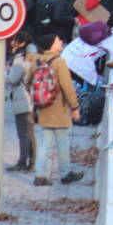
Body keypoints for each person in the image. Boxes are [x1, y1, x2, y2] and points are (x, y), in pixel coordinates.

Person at [32, 34, 83, 186]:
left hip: (44, 107)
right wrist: (75, 107)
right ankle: (65, 173)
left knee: (45, 143)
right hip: (59, 108)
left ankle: (40, 175)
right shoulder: (59, 62)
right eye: (58, 40)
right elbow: (67, 87)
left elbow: (29, 81)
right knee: (62, 143)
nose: (61, 41)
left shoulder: (38, 61)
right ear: (52, 45)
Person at [5, 31, 37, 172]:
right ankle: (32, 161)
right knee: (29, 132)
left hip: (21, 98)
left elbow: (12, 79)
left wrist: (2, 75)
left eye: (15, 40)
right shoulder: (30, 58)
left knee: (23, 133)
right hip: (28, 98)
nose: (12, 42)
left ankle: (23, 162)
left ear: (22, 43)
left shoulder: (19, 59)